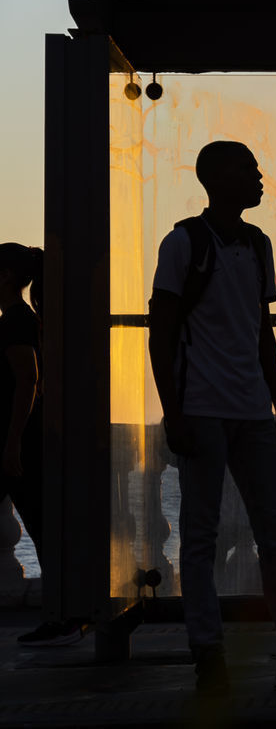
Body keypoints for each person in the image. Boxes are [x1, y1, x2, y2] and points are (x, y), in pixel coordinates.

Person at [148, 141, 276, 695]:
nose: (260, 178)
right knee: (202, 536)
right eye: (248, 169)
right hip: (203, 412)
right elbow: (160, 332)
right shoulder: (183, 242)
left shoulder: (257, 245)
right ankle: (208, 654)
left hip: (251, 414)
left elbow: (261, 333)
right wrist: (174, 413)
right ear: (216, 178)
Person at [0, 244, 85, 646]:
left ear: (7, 277)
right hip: (18, 443)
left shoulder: (17, 321)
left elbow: (28, 382)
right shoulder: (20, 320)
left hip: (16, 445)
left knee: (43, 530)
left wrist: (13, 442)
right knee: (44, 529)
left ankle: (64, 615)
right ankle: (66, 613)